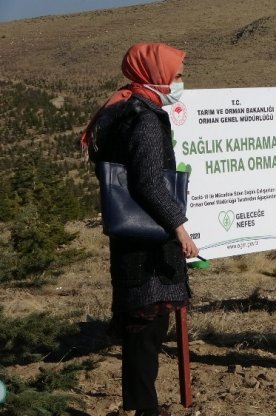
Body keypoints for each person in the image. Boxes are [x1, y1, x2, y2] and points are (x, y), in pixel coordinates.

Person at [81, 43, 198, 416]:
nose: (180, 82)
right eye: (176, 75)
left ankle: (137, 405)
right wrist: (179, 227)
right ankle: (146, 410)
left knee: (137, 328)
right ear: (156, 75)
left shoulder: (123, 109)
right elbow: (148, 183)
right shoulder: (145, 119)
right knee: (147, 331)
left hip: (130, 239)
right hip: (149, 244)